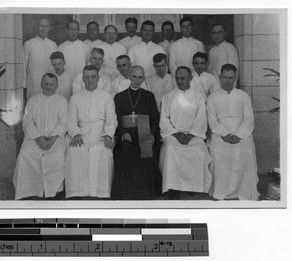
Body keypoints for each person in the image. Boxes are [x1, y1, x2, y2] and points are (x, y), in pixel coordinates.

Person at [207, 64, 259, 200]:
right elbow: (212, 121)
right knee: (219, 150)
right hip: (220, 132)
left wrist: (239, 135)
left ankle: (244, 191)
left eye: (230, 78)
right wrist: (224, 134)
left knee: (246, 150)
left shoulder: (244, 96)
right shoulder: (212, 97)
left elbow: (249, 119)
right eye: (224, 77)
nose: (227, 81)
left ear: (235, 78)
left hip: (241, 131)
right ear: (219, 77)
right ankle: (221, 191)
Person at [65, 65, 117, 199]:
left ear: (98, 78)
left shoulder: (106, 97)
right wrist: (76, 133)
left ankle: (100, 192)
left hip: (100, 134)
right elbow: (70, 121)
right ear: (82, 79)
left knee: (103, 151)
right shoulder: (75, 98)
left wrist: (108, 135)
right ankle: (78, 192)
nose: (90, 80)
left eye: (93, 77)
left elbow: (111, 121)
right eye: (87, 77)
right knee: (74, 151)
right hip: (81, 133)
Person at [13, 73, 68, 200]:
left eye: (52, 84)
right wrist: (38, 138)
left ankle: (53, 191)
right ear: (41, 84)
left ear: (57, 86)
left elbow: (64, 122)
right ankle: (28, 190)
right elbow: (27, 121)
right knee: (25, 155)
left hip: (55, 139)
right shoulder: (33, 100)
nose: (49, 87)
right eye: (46, 84)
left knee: (58, 155)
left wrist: (53, 137)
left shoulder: (62, 101)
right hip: (35, 138)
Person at [159, 66, 212, 199]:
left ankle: (193, 186)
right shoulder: (168, 97)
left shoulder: (199, 97)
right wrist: (176, 134)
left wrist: (190, 135)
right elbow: (164, 120)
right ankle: (171, 186)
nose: (180, 81)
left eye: (183, 78)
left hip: (193, 135)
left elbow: (201, 119)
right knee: (170, 150)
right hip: (173, 135)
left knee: (199, 150)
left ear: (190, 78)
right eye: (177, 78)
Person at [111, 66, 160, 200]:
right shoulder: (119, 97)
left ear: (143, 79)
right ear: (129, 77)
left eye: (140, 77)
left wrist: (152, 135)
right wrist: (122, 133)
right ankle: (126, 192)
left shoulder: (149, 96)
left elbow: (155, 119)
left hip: (144, 131)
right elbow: (115, 119)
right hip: (126, 132)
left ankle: (145, 192)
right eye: (134, 77)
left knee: (146, 152)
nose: (137, 80)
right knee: (126, 152)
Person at [23, 16, 58, 98]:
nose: (44, 28)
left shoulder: (53, 45)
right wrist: (24, 86)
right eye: (41, 26)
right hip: (34, 85)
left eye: (46, 26)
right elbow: (23, 66)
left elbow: (57, 66)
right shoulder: (28, 44)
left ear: (49, 28)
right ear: (36, 27)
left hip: (51, 85)